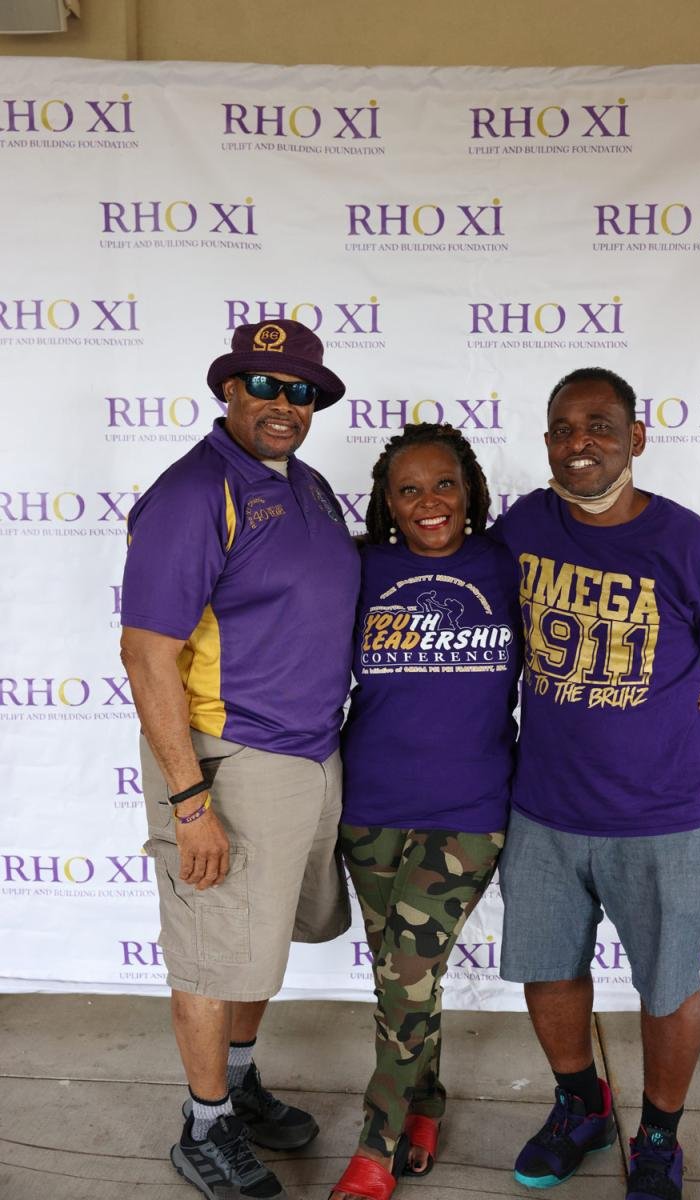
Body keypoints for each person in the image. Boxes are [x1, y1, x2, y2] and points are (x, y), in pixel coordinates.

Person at [493, 367, 700, 1200]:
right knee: (548, 971)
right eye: (562, 428)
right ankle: (580, 1106)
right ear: (547, 442)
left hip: (661, 816)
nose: (578, 443)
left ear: (635, 438)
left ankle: (656, 1136)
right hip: (543, 809)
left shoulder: (691, 545)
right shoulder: (524, 525)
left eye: (599, 426)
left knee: (667, 984)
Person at [120, 319, 361, 1200]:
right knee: (210, 952)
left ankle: (239, 1080)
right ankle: (203, 1125)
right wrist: (190, 802)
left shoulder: (309, 484)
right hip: (228, 758)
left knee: (256, 948)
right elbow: (146, 654)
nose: (282, 404)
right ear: (229, 390)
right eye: (263, 385)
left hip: (310, 752)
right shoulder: (196, 492)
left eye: (300, 391)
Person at [329, 423, 522, 1200]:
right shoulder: (358, 567)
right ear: (387, 502)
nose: (428, 502)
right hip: (369, 805)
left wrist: (692, 683)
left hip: (469, 809)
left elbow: (588, 637)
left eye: (443, 483)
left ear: (469, 489)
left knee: (405, 975)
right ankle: (425, 1104)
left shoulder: (508, 564)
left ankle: (375, 1145)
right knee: (402, 980)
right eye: (407, 490)